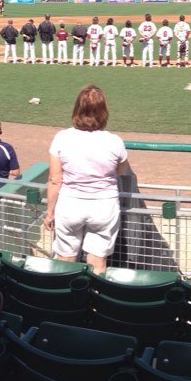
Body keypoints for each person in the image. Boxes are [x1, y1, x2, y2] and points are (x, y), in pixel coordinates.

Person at [44, 85, 129, 275]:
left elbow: (55, 180)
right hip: (104, 206)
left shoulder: (62, 137)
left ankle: (64, 292)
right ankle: (94, 294)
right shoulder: (115, 141)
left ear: (77, 109)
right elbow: (121, 171)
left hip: (70, 205)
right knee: (97, 264)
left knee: (65, 261)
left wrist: (50, 212)